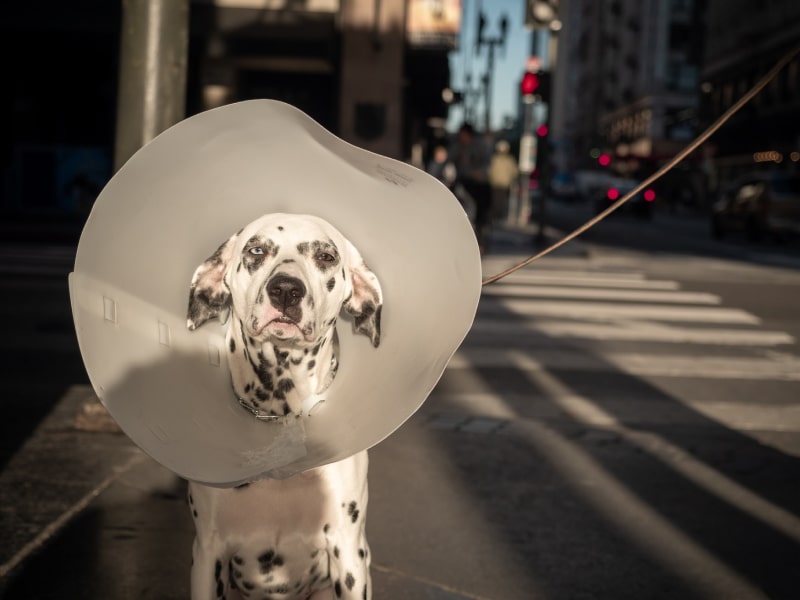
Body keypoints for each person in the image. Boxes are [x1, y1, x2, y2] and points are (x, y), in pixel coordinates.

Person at [450, 123, 493, 253]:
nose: (461, 138)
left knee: (481, 217)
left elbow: (487, 163)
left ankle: (480, 243)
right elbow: (449, 161)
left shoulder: (480, 146)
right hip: (464, 184)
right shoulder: (457, 147)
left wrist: (479, 172)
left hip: (480, 186)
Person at [488, 140, 519, 223]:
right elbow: (490, 170)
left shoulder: (509, 160)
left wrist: (511, 179)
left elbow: (514, 171)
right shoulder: (495, 159)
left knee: (501, 201)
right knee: (495, 200)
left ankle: (499, 216)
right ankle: (495, 216)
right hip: (495, 183)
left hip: (504, 183)